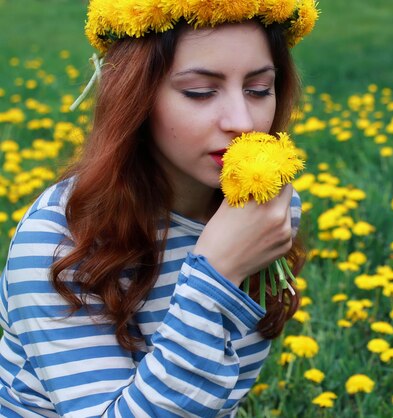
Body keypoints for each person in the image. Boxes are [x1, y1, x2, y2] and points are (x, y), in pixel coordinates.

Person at [0, 0, 319, 416]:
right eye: (200, 92)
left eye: (259, 89)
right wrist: (216, 275)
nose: (242, 121)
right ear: (136, 98)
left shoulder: (266, 211)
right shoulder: (59, 243)